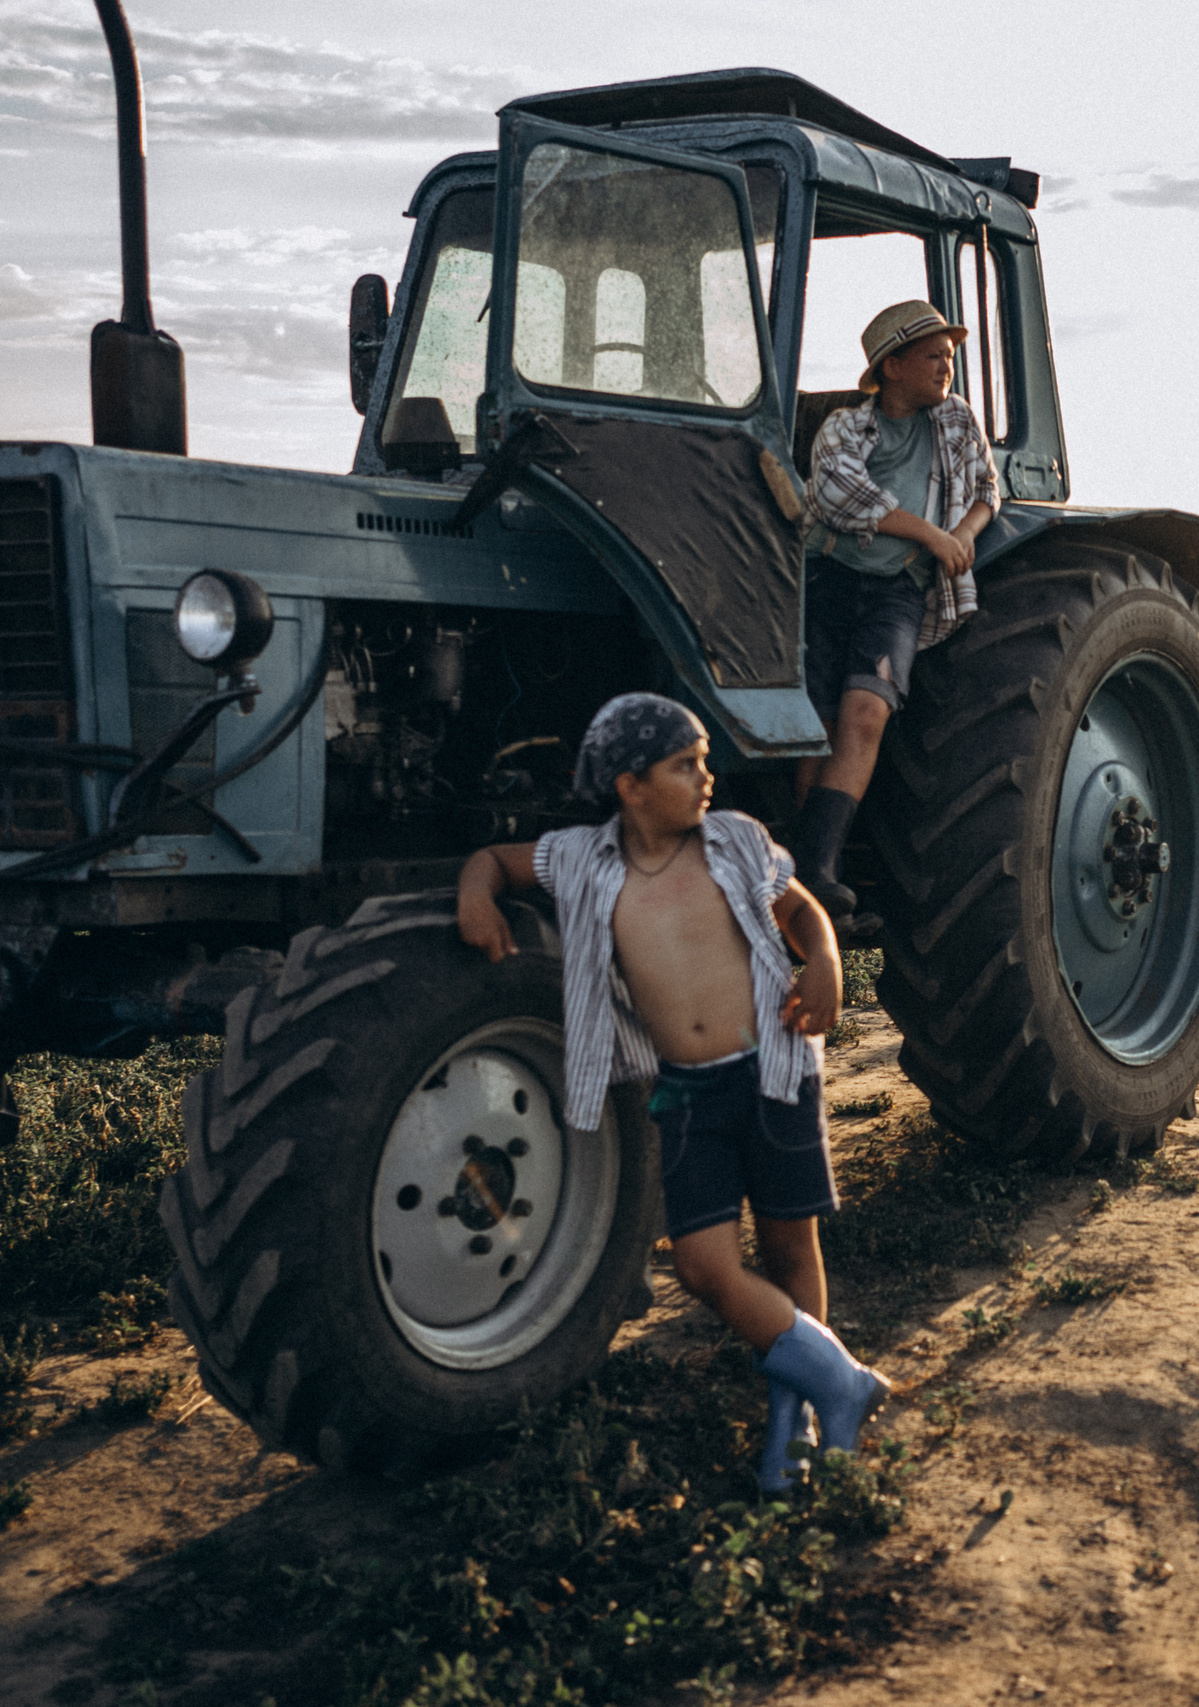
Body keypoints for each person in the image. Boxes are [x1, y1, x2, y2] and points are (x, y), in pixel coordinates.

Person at [455, 692, 887, 1494]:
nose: (706, 777)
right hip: (686, 1092)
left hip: (773, 1070)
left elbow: (802, 911)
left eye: (704, 760)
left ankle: (796, 1418)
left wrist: (826, 960)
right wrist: (475, 897)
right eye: (685, 764)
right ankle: (841, 1378)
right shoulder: (582, 858)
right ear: (630, 785)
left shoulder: (734, 840)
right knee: (703, 1265)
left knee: (790, 1248)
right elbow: (493, 860)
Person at [789, 300, 1002, 919]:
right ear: (892, 366)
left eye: (950, 357)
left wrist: (961, 534)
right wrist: (931, 535)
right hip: (829, 580)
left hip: (896, 593)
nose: (946, 367)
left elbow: (987, 489)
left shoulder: (956, 421)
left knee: (867, 713)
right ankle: (801, 875)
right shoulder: (845, 429)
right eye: (934, 356)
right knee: (818, 725)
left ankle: (818, 866)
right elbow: (841, 495)